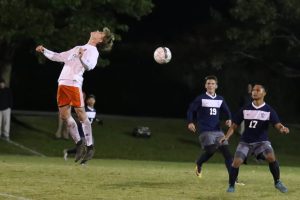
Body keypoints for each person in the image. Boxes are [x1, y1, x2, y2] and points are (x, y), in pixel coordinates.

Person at [36, 28, 114, 163]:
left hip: (74, 82)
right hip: (62, 83)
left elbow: (89, 66)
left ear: (100, 39)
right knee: (64, 116)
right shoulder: (79, 47)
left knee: (80, 113)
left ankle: (90, 147)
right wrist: (44, 51)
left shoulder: (93, 51)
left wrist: (81, 56)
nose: (96, 31)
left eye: (100, 32)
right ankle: (79, 144)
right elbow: (59, 56)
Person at [220, 84, 289, 193]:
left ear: (264, 93)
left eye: (258, 90)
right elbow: (234, 126)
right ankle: (231, 185)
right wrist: (226, 137)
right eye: (253, 90)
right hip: (246, 142)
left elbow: (277, 124)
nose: (254, 92)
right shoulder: (245, 108)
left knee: (271, 157)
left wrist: (282, 128)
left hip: (262, 142)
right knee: (236, 162)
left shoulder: (269, 110)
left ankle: (277, 182)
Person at [187, 75, 237, 181]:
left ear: (216, 86)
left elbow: (227, 111)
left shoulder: (220, 99)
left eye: (212, 83)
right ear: (205, 86)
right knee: (211, 150)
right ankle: (199, 163)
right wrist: (190, 122)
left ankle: (233, 179)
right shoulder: (201, 98)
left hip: (218, 131)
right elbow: (191, 110)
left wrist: (229, 119)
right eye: (208, 83)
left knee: (228, 154)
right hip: (205, 130)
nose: (210, 85)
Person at [63, 94, 98, 165]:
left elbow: (92, 119)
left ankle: (81, 161)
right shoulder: (84, 109)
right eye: (90, 99)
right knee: (83, 147)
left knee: (90, 147)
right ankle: (80, 160)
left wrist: (98, 120)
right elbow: (78, 117)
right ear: (87, 101)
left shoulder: (94, 110)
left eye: (93, 99)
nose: (92, 101)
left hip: (88, 132)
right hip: (81, 131)